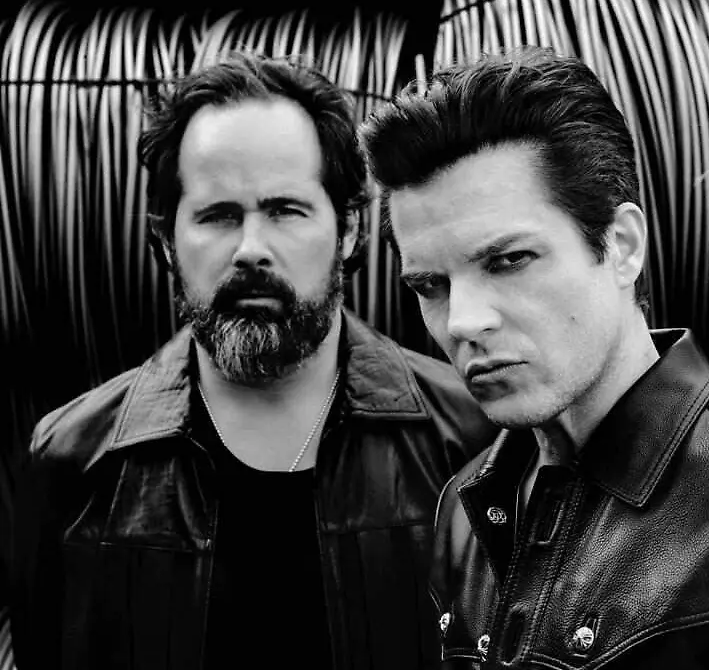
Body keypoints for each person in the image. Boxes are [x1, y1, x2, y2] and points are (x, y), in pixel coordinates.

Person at [359, 46, 709, 669]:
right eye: (430, 286)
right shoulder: (468, 504)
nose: (463, 320)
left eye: (509, 261)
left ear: (623, 245)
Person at [7, 52, 497, 669]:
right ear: (165, 240)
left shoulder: (474, 444)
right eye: (218, 215)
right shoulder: (75, 462)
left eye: (285, 210)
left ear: (349, 229)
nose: (251, 249)